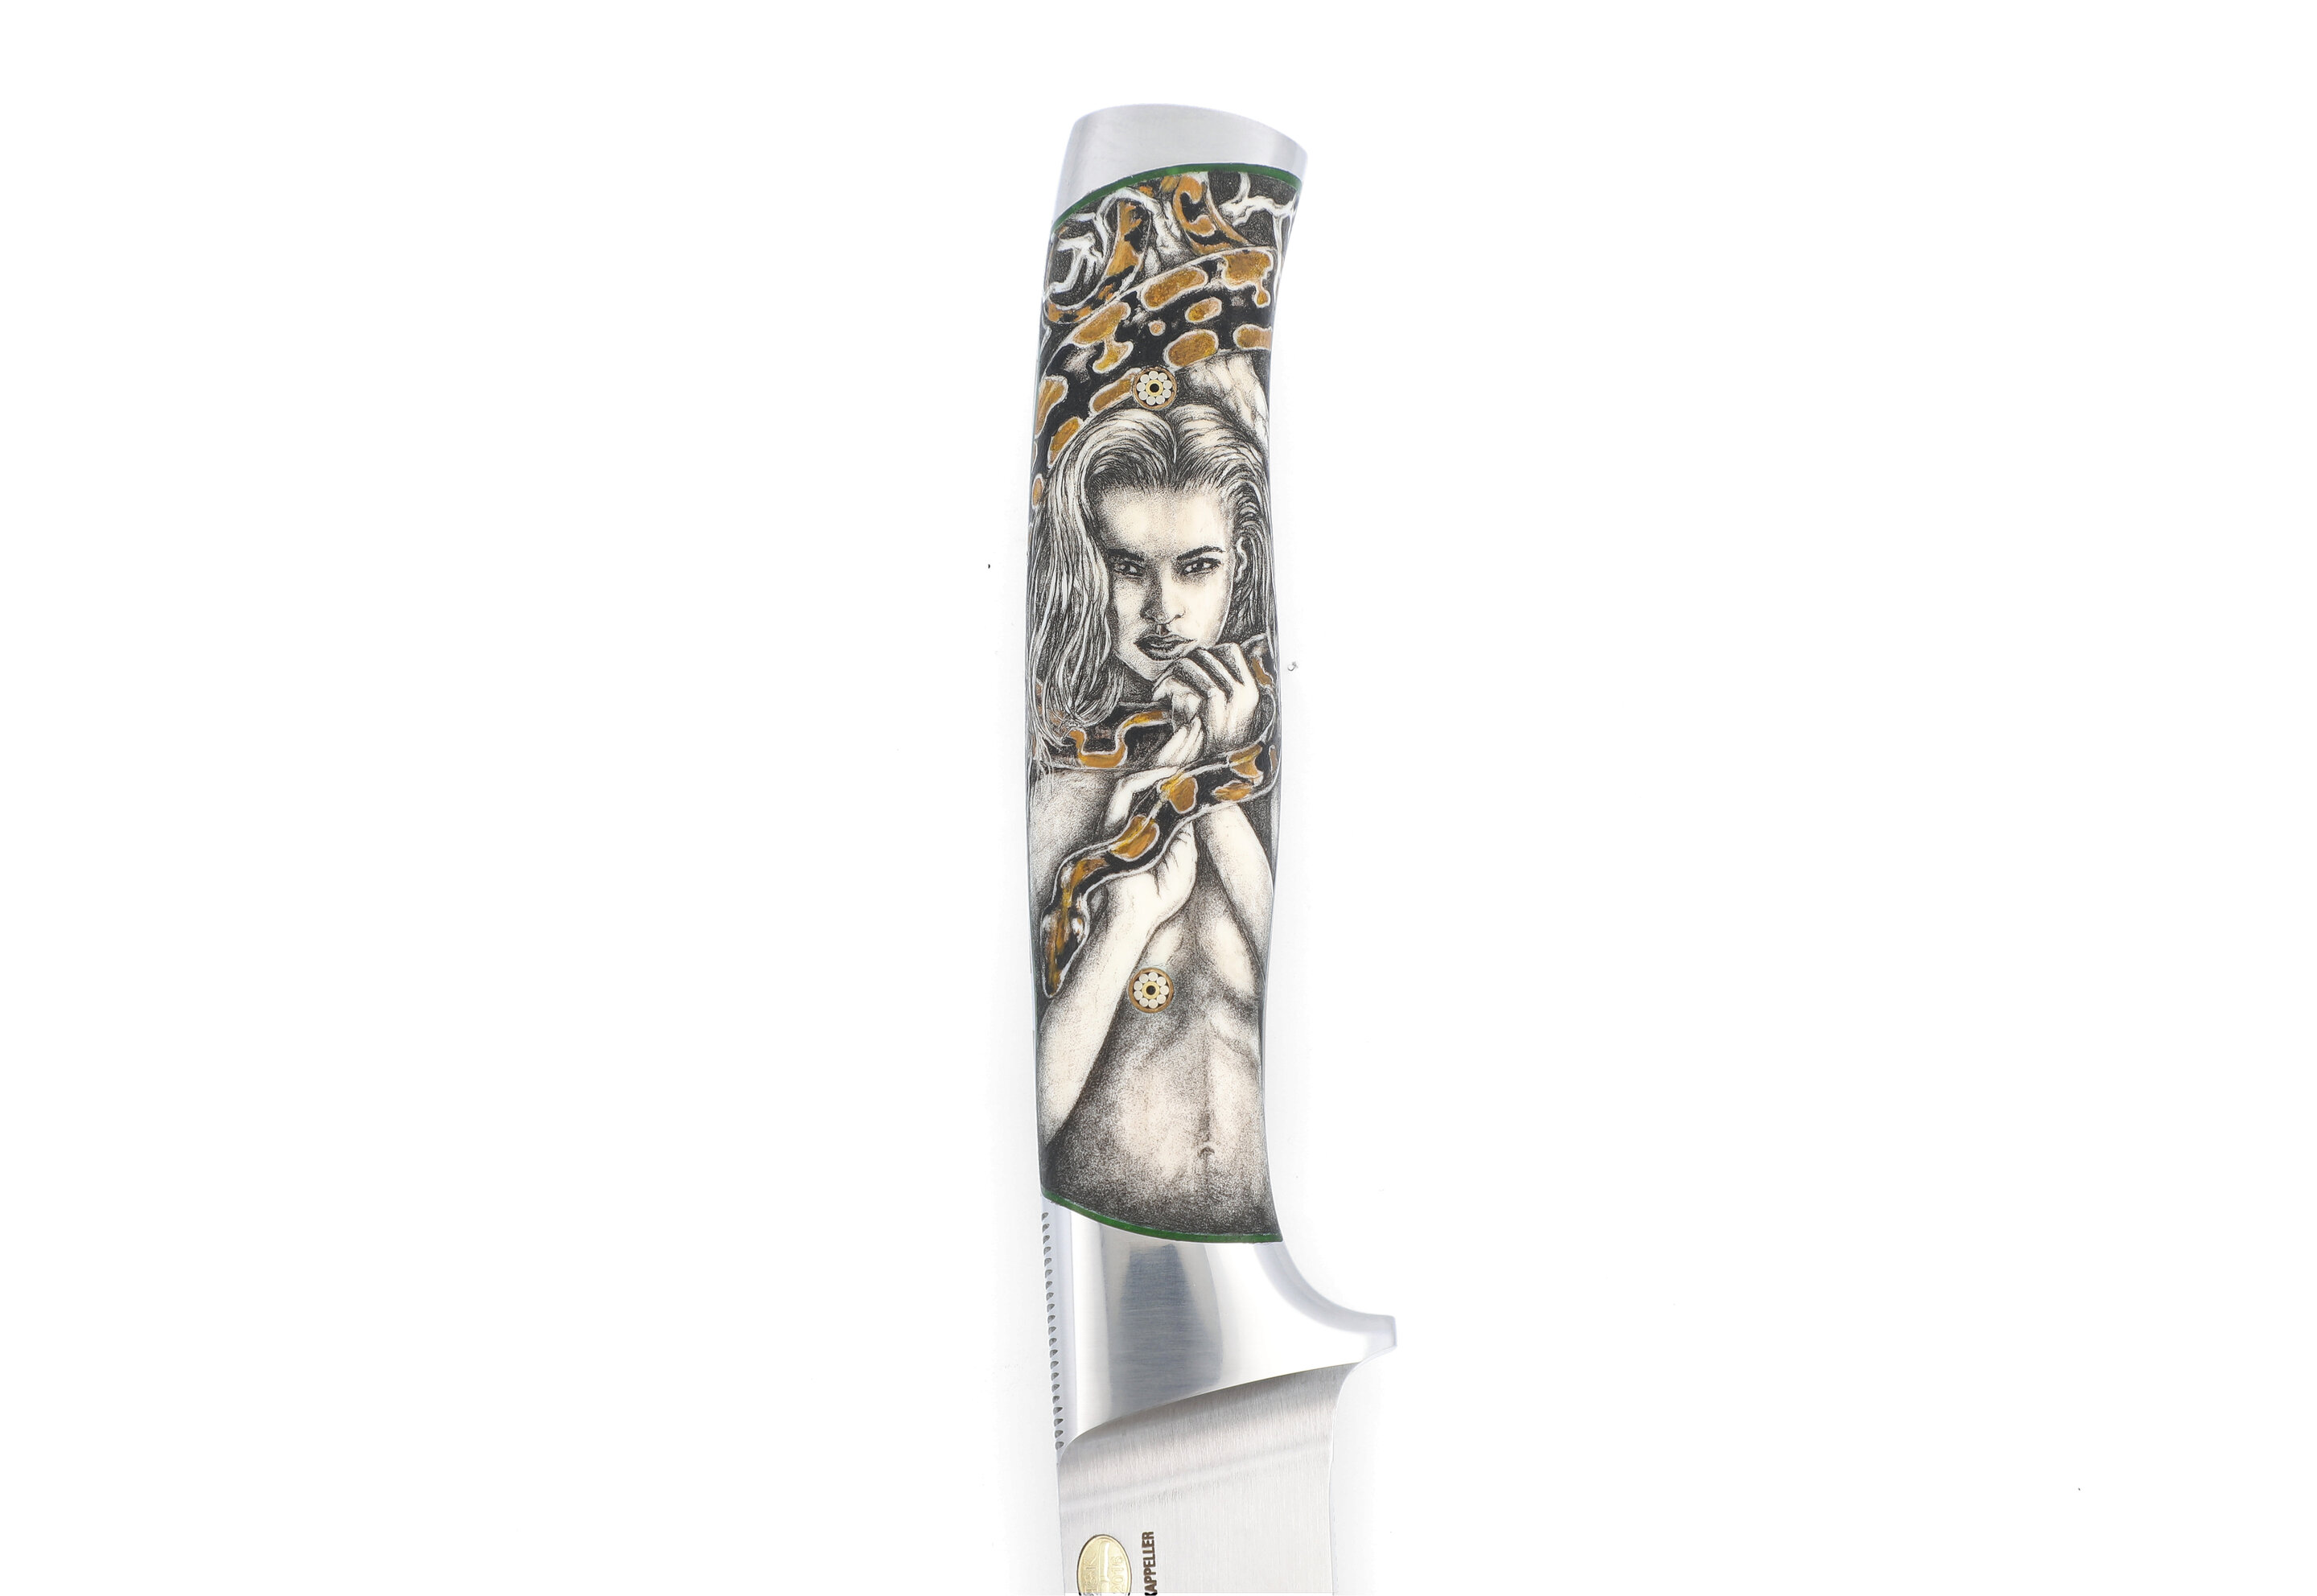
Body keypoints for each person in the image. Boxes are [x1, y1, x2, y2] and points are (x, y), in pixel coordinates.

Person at [1028, 364, 1281, 1237]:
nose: (1163, 611)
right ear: (1089, 568)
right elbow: (1032, 1112)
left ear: (1241, 565)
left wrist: (1209, 787)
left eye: (1197, 567)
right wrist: (1127, 918)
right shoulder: (1062, 797)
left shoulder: (1280, 800)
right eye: (1129, 567)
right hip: (1109, 1225)